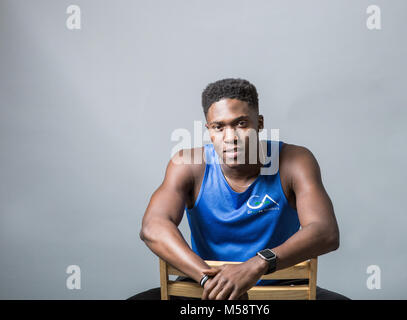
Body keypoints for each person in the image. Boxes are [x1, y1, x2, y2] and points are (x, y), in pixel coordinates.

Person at [129, 78, 350, 300]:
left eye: (241, 124)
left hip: (282, 287)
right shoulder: (187, 164)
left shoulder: (294, 161)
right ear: (208, 130)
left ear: (260, 123)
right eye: (219, 127)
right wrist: (213, 281)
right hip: (205, 289)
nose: (230, 137)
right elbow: (153, 227)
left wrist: (257, 265)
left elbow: (325, 231)